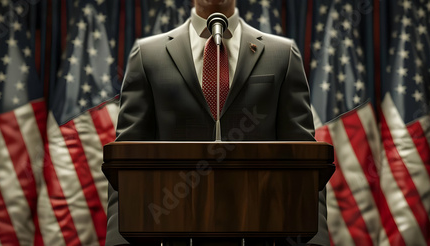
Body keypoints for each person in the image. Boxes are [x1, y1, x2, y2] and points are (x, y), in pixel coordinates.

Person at [106, 0, 328, 245]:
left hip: (261, 231)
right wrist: (119, 239)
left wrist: (314, 238)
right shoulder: (148, 54)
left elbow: (305, 159)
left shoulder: (282, 54)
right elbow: (126, 160)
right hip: (173, 230)